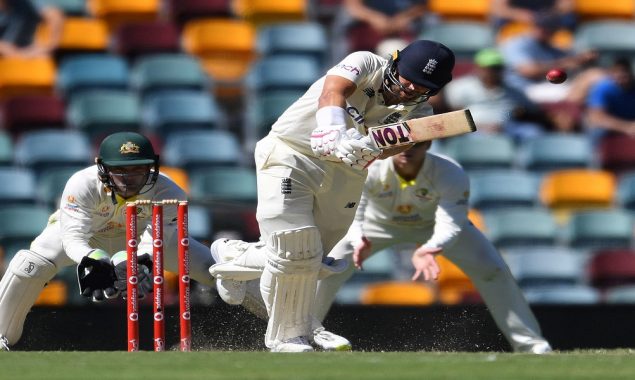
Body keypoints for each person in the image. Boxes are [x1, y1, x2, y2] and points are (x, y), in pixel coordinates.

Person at [208, 39, 456, 352]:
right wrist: (332, 128)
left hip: (345, 172)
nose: (408, 90)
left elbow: (398, 145)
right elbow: (333, 91)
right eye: (407, 80)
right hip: (292, 152)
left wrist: (368, 148)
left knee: (309, 260)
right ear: (394, 62)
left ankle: (234, 257)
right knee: (297, 249)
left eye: (421, 87)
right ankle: (288, 338)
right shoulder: (366, 62)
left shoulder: (421, 111)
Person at [313, 141, 553, 354]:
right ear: (390, 146)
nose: (408, 150)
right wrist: (358, 239)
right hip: (375, 225)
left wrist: (431, 248)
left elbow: (452, 221)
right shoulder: (371, 167)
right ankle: (303, 336)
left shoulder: (449, 171)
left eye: (416, 145)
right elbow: (354, 210)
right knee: (330, 267)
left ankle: (531, 346)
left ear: (428, 145)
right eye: (402, 144)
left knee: (493, 269)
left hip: (433, 225)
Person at [0, 131, 217, 351]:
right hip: (89, 238)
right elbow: (73, 238)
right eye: (120, 170)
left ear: (152, 167)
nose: (129, 179)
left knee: (216, 269)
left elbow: (155, 242)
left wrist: (138, 260)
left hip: (144, 238)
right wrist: (92, 258)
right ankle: (1, 336)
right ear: (102, 168)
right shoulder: (82, 184)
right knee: (28, 264)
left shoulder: (170, 191)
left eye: (138, 170)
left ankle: (253, 321)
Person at [437, 47, 547, 141]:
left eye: (497, 68)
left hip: (508, 127)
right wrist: (480, 127)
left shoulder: (514, 90)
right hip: (475, 129)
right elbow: (454, 113)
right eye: (489, 68)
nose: (493, 72)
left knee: (533, 132)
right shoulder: (461, 87)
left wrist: (506, 120)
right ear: (478, 68)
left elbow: (525, 110)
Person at [499, 11, 600, 104]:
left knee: (593, 77)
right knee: (585, 84)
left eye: (548, 27)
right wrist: (564, 63)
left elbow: (572, 60)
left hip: (546, 87)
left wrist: (582, 59)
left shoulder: (551, 47)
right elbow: (529, 71)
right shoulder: (517, 44)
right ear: (533, 26)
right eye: (540, 26)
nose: (543, 30)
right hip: (522, 89)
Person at [584, 57, 635, 143]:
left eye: (625, 71)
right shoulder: (602, 88)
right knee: (598, 131)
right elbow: (597, 118)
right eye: (617, 72)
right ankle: (595, 156)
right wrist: (627, 127)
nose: (621, 75)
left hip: (630, 124)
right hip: (609, 128)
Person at [0, 0, 64, 58]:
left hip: (26, 53)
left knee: (43, 58)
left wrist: (50, 45)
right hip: (6, 59)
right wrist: (19, 54)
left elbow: (54, 15)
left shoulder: (25, 3)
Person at [490, 0, 577, 31]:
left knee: (569, 19)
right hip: (517, 21)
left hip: (549, 18)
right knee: (498, 19)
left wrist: (549, 14)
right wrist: (519, 15)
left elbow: (567, 5)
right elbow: (498, 8)